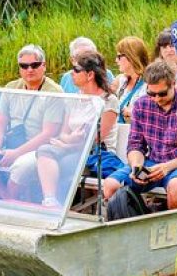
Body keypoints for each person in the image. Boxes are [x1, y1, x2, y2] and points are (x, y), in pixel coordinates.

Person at [100, 60, 177, 210]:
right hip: (153, 162)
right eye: (151, 93)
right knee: (111, 185)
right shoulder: (141, 105)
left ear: (173, 84)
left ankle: (173, 230)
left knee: (176, 187)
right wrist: (136, 166)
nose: (157, 98)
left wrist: (166, 167)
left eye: (162, 93)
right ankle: (135, 221)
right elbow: (135, 145)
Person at [0, 44, 64, 200]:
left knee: (20, 166)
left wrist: (17, 153)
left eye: (35, 65)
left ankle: (12, 202)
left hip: (39, 147)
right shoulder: (11, 87)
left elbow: (48, 134)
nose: (29, 70)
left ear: (44, 66)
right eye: (24, 66)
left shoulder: (55, 92)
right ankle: (6, 198)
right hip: (12, 141)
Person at [36, 50, 123, 208]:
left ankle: (64, 207)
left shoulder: (108, 101)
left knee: (63, 162)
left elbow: (96, 139)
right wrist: (69, 141)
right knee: (44, 150)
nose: (71, 74)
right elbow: (63, 132)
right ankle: (50, 201)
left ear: (90, 75)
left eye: (76, 70)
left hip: (96, 153)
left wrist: (69, 143)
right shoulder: (74, 99)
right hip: (72, 148)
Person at [113, 36, 150, 124]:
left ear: (131, 57)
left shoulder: (151, 83)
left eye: (119, 56)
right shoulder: (121, 80)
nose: (116, 60)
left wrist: (134, 113)